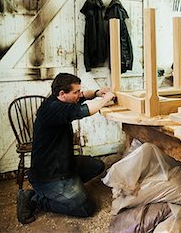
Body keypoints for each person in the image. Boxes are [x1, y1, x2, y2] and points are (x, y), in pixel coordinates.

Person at [16, 73, 115, 224]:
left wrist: (96, 93)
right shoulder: (54, 109)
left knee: (98, 166)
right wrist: (106, 98)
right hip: (49, 174)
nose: (79, 95)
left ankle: (68, 188)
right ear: (62, 94)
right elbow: (86, 110)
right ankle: (34, 199)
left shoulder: (60, 100)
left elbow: (84, 97)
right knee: (86, 208)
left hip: (62, 162)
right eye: (76, 92)